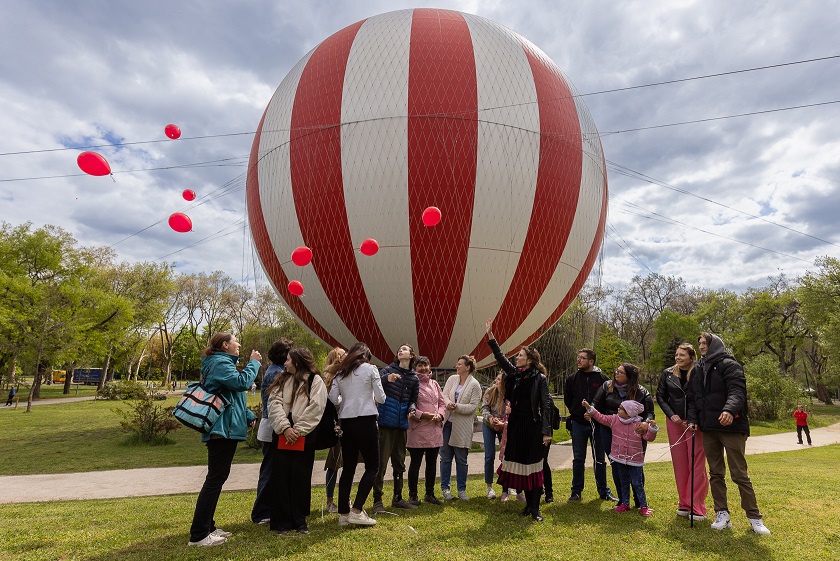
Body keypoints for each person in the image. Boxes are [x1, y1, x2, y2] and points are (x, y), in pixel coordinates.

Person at [687, 333, 771, 535]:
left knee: (739, 474)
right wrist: (693, 419)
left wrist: (729, 410)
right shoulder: (698, 369)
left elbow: (737, 391)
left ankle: (754, 518)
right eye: (699, 343)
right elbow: (693, 397)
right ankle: (722, 514)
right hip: (709, 428)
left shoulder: (730, 365)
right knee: (716, 473)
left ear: (714, 344)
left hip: (732, 427)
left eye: (705, 343)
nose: (701, 347)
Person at [188, 332, 261, 547]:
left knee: (217, 478)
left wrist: (247, 415)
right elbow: (241, 383)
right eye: (236, 341)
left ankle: (208, 527)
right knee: (215, 479)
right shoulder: (220, 363)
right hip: (222, 430)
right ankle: (199, 535)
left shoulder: (220, 363)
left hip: (224, 428)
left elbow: (230, 396)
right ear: (225, 344)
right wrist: (253, 364)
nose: (239, 344)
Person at [485, 319, 552, 521]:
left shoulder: (539, 378)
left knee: (534, 467)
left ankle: (535, 508)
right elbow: (500, 358)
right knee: (520, 468)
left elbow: (545, 404)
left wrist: (546, 431)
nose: (517, 358)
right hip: (514, 427)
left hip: (531, 426)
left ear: (529, 360)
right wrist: (491, 337)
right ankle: (528, 507)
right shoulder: (514, 375)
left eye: (521, 355)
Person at [266, 347, 327, 535]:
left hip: (304, 435)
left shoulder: (316, 381)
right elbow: (273, 403)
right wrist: (285, 428)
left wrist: (298, 431)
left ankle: (299, 521)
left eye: (288, 360)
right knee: (280, 479)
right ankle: (282, 522)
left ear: (297, 362)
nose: (285, 363)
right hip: (283, 433)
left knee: (300, 479)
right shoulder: (282, 379)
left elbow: (316, 407)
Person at [328, 342, 386, 527]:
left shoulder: (340, 372)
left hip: (347, 423)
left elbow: (332, 398)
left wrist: (346, 400)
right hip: (367, 421)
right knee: (372, 466)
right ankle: (357, 510)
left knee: (349, 468)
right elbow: (381, 397)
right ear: (366, 356)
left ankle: (343, 513)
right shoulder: (370, 369)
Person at [656, 343, 708, 521]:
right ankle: (684, 503)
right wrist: (671, 415)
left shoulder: (699, 371)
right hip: (675, 423)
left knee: (697, 463)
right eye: (677, 355)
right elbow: (660, 397)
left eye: (682, 355)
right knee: (680, 464)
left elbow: (699, 397)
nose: (678, 358)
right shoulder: (668, 373)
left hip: (695, 423)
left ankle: (697, 505)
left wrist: (694, 419)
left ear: (691, 357)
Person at [591, 362, 655, 507]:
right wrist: (590, 411)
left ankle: (639, 501)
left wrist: (646, 423)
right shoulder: (607, 386)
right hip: (610, 430)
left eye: (621, 372)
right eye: (616, 371)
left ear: (630, 377)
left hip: (634, 432)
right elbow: (595, 403)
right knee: (617, 464)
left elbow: (650, 413)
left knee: (635, 466)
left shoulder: (642, 392)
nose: (616, 374)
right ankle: (623, 500)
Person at [582, 399, 658, 516]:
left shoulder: (639, 425)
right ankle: (625, 504)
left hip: (635, 461)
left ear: (629, 412)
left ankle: (643, 506)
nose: (618, 409)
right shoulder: (614, 420)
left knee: (638, 483)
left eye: (621, 408)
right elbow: (600, 417)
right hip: (619, 459)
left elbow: (649, 437)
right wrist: (589, 408)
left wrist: (652, 428)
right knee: (623, 482)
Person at [563, 348, 615, 502]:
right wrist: (578, 412)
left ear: (591, 362)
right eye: (578, 357)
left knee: (599, 458)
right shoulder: (571, 379)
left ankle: (603, 491)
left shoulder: (603, 380)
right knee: (578, 458)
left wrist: (594, 413)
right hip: (578, 424)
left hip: (598, 425)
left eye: (583, 358)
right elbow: (568, 400)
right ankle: (576, 491)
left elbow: (607, 402)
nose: (579, 360)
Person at [373, 344, 420, 512]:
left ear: (411, 355)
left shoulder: (414, 378)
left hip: (402, 426)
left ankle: (398, 498)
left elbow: (413, 399)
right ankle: (377, 500)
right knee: (381, 463)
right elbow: (376, 384)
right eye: (399, 349)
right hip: (386, 424)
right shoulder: (387, 370)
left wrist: (411, 409)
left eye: (404, 349)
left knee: (399, 463)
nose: (400, 351)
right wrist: (387, 379)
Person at [251, 338, 293, 525]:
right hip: (272, 426)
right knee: (269, 471)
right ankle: (261, 512)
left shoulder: (276, 371)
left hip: (272, 425)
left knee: (273, 470)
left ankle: (270, 508)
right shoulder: (277, 374)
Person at [439, 354, 482, 501]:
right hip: (447, 424)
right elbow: (443, 395)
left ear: (467, 367)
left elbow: (473, 407)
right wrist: (448, 403)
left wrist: (456, 406)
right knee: (445, 457)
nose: (456, 366)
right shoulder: (452, 379)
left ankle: (461, 490)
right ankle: (445, 489)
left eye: (459, 364)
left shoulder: (475, 385)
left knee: (461, 459)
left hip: (462, 427)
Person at [406, 355, 445, 505]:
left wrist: (440, 415)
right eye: (420, 365)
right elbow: (408, 405)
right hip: (418, 429)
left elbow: (442, 402)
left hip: (434, 430)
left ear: (429, 367)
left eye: (426, 365)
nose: (423, 368)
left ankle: (430, 494)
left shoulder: (435, 384)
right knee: (415, 463)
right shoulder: (412, 383)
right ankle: (413, 495)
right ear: (415, 368)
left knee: (431, 463)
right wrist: (424, 415)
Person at [322, 347, 346, 514]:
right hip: (335, 424)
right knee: (334, 462)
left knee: (348, 462)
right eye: (342, 356)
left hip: (348, 422)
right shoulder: (328, 379)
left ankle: (345, 497)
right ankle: (330, 500)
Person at [481, 372, 506, 499]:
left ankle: (506, 487)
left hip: (503, 426)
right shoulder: (490, 392)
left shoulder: (509, 395)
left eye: (499, 380)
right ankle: (489, 487)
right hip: (489, 425)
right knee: (489, 455)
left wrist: (502, 423)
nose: (496, 381)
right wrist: (491, 418)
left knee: (506, 456)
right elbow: (484, 408)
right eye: (496, 378)